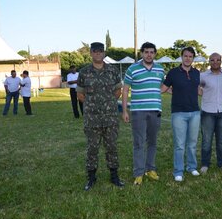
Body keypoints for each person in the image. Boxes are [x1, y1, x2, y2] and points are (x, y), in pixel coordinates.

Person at [76, 42, 124, 191]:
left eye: (100, 51)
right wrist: (94, 105)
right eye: (95, 51)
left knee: (112, 147)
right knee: (92, 148)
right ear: (91, 53)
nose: (98, 54)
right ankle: (91, 177)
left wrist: (107, 103)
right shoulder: (84, 72)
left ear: (104, 53)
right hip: (92, 118)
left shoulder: (112, 70)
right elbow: (80, 95)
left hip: (110, 117)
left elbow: (118, 91)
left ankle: (114, 176)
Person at [122, 42, 165, 185]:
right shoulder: (132, 69)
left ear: (155, 54)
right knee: (139, 143)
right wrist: (124, 111)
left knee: (152, 142)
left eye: (152, 52)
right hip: (138, 111)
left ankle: (150, 169)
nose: (149, 54)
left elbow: (163, 87)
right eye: (146, 52)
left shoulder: (160, 69)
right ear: (141, 53)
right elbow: (126, 90)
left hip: (155, 110)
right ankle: (139, 173)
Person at [161, 47, 201, 182]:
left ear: (193, 58)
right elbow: (163, 88)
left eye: (190, 56)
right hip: (178, 113)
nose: (188, 58)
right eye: (185, 56)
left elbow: (199, 89)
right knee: (179, 144)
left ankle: (191, 167)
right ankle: (178, 171)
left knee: (192, 143)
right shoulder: (173, 73)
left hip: (195, 112)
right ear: (181, 57)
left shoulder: (197, 73)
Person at [199, 53, 222, 174]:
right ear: (209, 62)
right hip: (208, 111)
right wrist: (202, 93)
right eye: (212, 60)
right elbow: (195, 87)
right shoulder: (203, 76)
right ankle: (205, 164)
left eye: (218, 60)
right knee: (206, 140)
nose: (215, 62)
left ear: (221, 61)